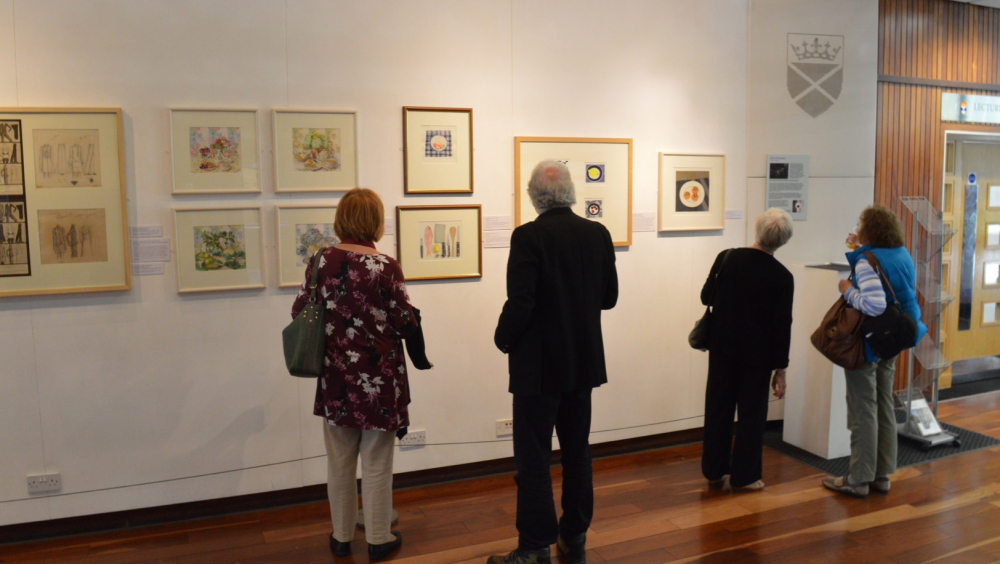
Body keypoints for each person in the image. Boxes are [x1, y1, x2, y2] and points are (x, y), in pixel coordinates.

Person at [490, 161, 618, 564]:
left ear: (534, 195)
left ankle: (533, 547)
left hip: (538, 368)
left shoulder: (528, 237)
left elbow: (521, 301)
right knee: (577, 451)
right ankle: (574, 535)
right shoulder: (597, 233)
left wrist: (502, 338)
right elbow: (609, 297)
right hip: (582, 363)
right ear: (571, 192)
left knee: (534, 459)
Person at [290, 188, 424, 561]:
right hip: (379, 380)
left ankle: (341, 537)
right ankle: (379, 539)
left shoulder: (321, 261)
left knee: (339, 462)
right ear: (376, 221)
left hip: (335, 379)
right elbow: (404, 323)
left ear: (341, 219)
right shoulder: (386, 266)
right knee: (378, 463)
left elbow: (300, 309)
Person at [822, 205, 927, 498]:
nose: (857, 224)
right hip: (893, 340)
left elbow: (874, 305)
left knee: (863, 408)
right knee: (882, 403)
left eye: (861, 222)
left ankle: (858, 478)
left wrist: (846, 289)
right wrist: (861, 248)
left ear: (871, 229)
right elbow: (890, 281)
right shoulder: (901, 253)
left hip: (868, 342)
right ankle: (881, 475)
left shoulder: (867, 261)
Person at [699, 208, 794, 492]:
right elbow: (782, 326)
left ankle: (714, 471)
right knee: (752, 415)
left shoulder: (727, 257)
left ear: (757, 229)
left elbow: (706, 296)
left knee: (718, 408)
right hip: (758, 356)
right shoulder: (782, 276)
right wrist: (781, 369)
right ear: (783, 240)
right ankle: (745, 476)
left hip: (722, 348)